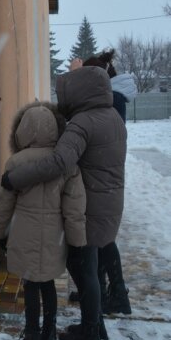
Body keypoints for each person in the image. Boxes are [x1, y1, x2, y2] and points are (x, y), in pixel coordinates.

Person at [1, 64, 127, 340]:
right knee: (90, 270)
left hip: (88, 206)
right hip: (108, 203)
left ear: (80, 91)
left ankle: (91, 333)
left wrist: (15, 179)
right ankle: (94, 329)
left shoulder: (84, 122)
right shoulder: (112, 117)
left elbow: (59, 162)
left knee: (84, 271)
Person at [0, 102, 87, 340]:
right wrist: (77, 241)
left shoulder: (16, 163)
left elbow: (4, 203)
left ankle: (31, 336)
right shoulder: (66, 164)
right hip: (55, 233)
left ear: (23, 129)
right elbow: (75, 208)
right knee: (48, 284)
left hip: (25, 232)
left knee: (31, 284)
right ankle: (49, 336)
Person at [65, 50, 134, 315]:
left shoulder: (112, 99)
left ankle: (110, 294)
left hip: (101, 182)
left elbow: (94, 131)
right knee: (102, 242)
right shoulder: (113, 96)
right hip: (105, 181)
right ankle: (106, 292)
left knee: (101, 242)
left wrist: (74, 77)